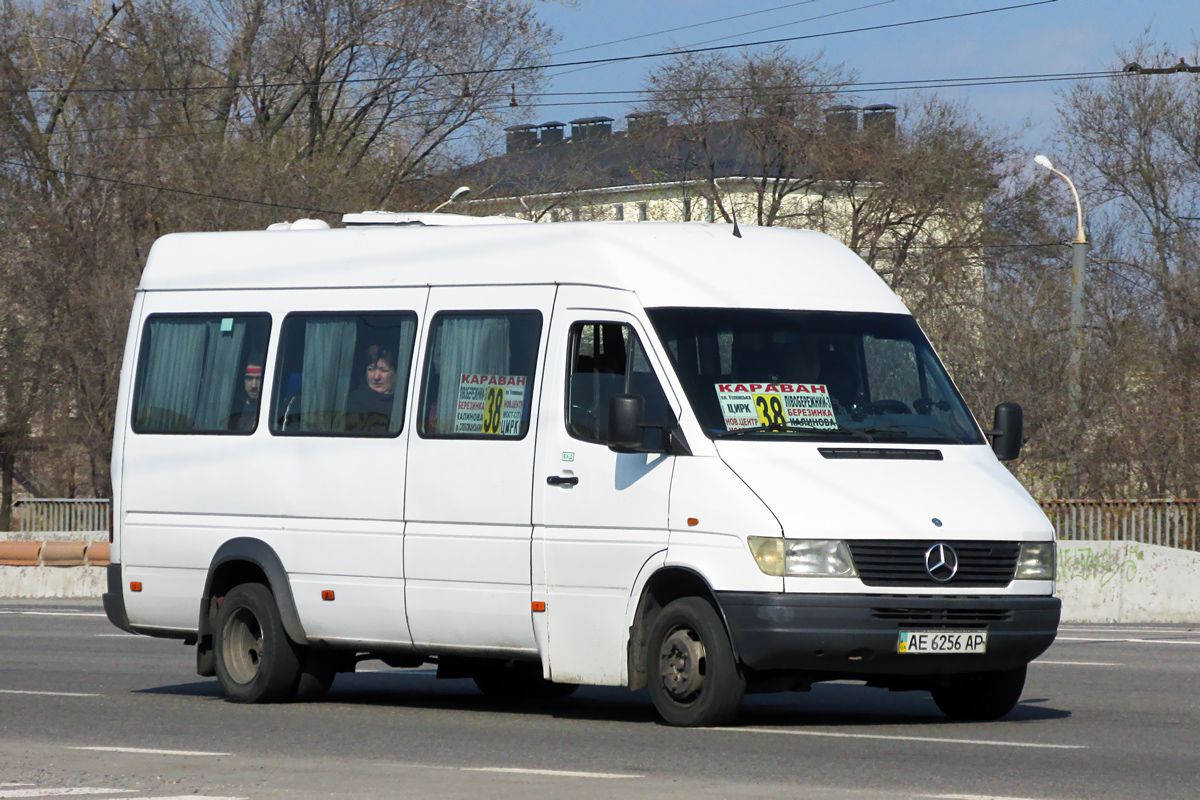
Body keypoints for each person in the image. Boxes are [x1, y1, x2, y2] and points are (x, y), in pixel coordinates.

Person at [346, 345, 398, 434]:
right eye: (371, 369)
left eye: (383, 370)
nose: (376, 377)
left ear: (396, 374)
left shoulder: (404, 401)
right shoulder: (356, 402)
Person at [225, 361, 264, 432]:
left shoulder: (272, 410)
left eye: (258, 379)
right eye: (249, 378)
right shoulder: (230, 408)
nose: (254, 385)